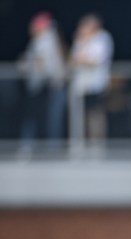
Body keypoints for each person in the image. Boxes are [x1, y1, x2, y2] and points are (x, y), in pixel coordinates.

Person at [18, 11, 66, 150]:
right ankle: (47, 146)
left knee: (48, 118)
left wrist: (27, 64)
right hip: (45, 85)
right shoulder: (44, 40)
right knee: (47, 118)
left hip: (46, 85)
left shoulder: (45, 40)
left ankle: (45, 146)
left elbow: (41, 63)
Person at [68, 13, 114, 142]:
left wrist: (82, 60)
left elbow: (96, 60)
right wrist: (82, 43)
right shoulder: (80, 40)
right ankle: (82, 144)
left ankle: (97, 144)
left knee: (96, 115)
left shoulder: (103, 38)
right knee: (82, 116)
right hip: (82, 85)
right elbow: (73, 60)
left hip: (96, 84)